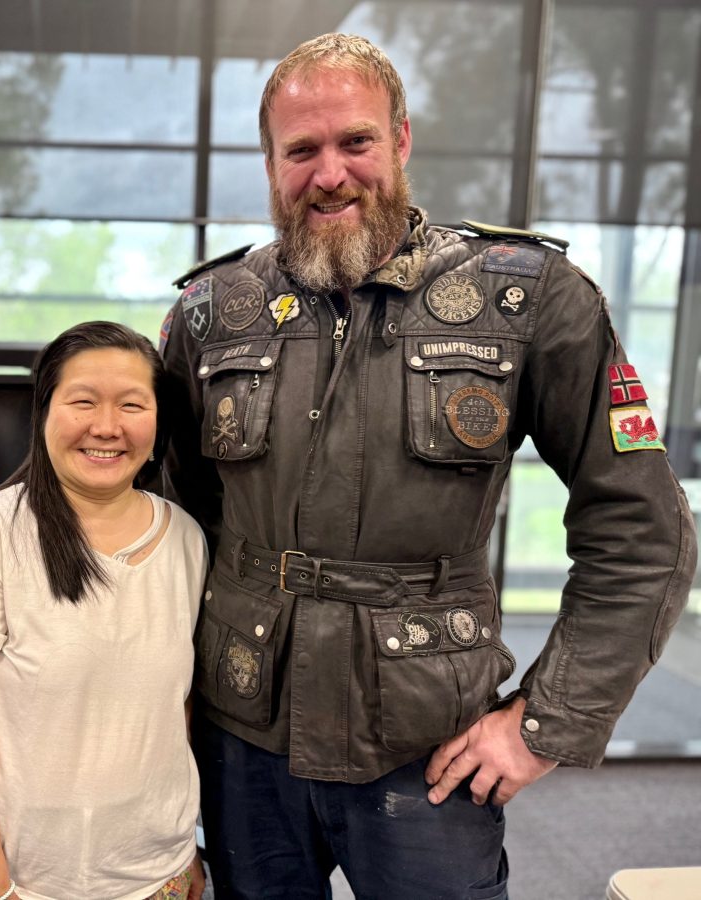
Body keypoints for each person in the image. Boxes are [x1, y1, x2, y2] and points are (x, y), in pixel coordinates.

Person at [159, 32, 697, 900]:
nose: (329, 172)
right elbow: (169, 528)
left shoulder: (524, 299)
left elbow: (643, 529)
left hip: (428, 745)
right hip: (244, 736)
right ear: (269, 162)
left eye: (355, 142)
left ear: (401, 140)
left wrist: (541, 725)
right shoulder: (212, 314)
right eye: (302, 150)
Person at [0, 321, 208, 900]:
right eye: (83, 402)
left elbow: (177, 710)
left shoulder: (186, 539)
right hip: (13, 882)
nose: (106, 427)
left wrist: (182, 853)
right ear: (45, 411)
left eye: (131, 404)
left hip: (153, 876)